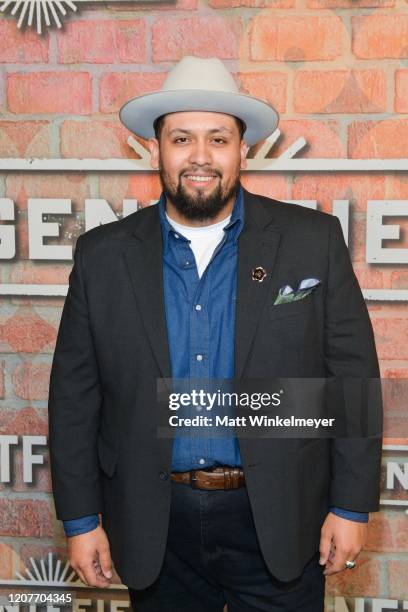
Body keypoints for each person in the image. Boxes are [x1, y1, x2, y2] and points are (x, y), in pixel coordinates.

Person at [48, 56, 383, 611]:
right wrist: (82, 520)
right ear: (155, 150)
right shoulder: (102, 256)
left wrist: (350, 506)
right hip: (154, 524)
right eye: (182, 138)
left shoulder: (311, 241)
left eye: (218, 139)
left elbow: (351, 379)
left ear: (242, 151)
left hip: (277, 515)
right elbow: (74, 399)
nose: (200, 157)